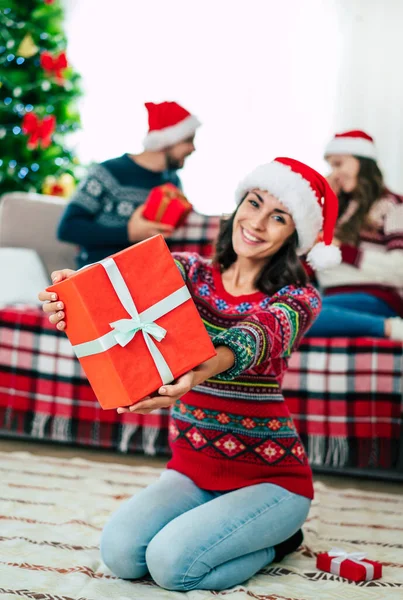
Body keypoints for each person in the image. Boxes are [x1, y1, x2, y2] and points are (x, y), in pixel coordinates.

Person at [38, 157, 340, 592]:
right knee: (121, 555)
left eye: (278, 217)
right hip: (191, 469)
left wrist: (199, 371)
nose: (256, 222)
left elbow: (253, 338)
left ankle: (282, 540)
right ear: (236, 207)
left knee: (172, 566)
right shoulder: (187, 272)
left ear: (294, 234)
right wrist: (75, 294)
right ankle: (227, 530)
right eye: (252, 204)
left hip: (271, 481)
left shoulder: (299, 298)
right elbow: (119, 290)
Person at [58, 101, 202, 268]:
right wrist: (128, 233)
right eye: (188, 140)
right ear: (168, 141)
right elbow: (68, 228)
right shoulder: (108, 172)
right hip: (101, 272)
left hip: (149, 275)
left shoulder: (173, 182)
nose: (193, 148)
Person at [306, 130, 403, 340]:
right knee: (280, 310)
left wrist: (344, 251)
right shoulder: (338, 212)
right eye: (331, 166)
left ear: (362, 161)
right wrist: (322, 202)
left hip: (375, 299)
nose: (334, 173)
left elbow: (399, 269)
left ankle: (389, 328)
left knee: (300, 315)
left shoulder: (394, 206)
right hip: (332, 297)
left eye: (339, 164)